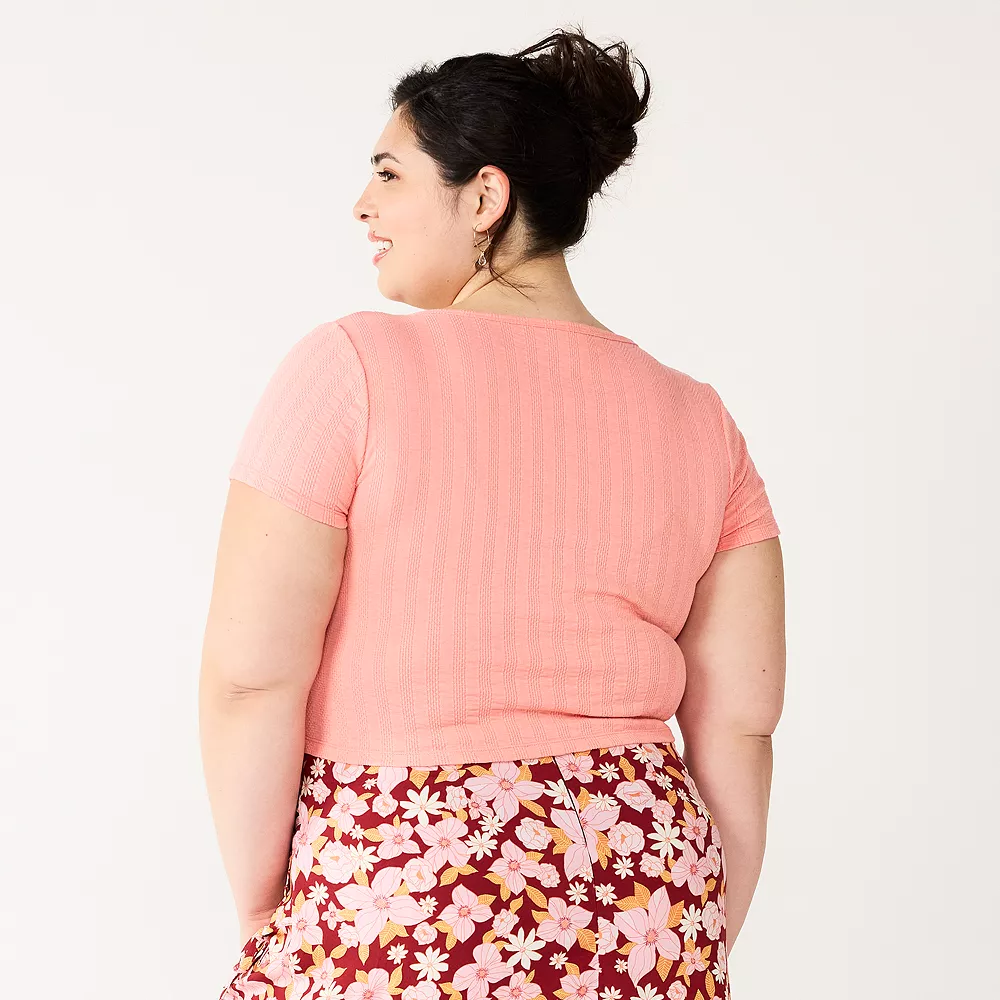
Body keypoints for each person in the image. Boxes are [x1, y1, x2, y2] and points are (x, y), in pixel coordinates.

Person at [200, 25, 785, 1000]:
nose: (362, 204)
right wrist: (696, 931)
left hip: (404, 875)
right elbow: (742, 722)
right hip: (645, 877)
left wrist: (267, 911)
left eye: (388, 174)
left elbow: (250, 678)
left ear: (484, 197)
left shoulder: (351, 369)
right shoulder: (700, 417)